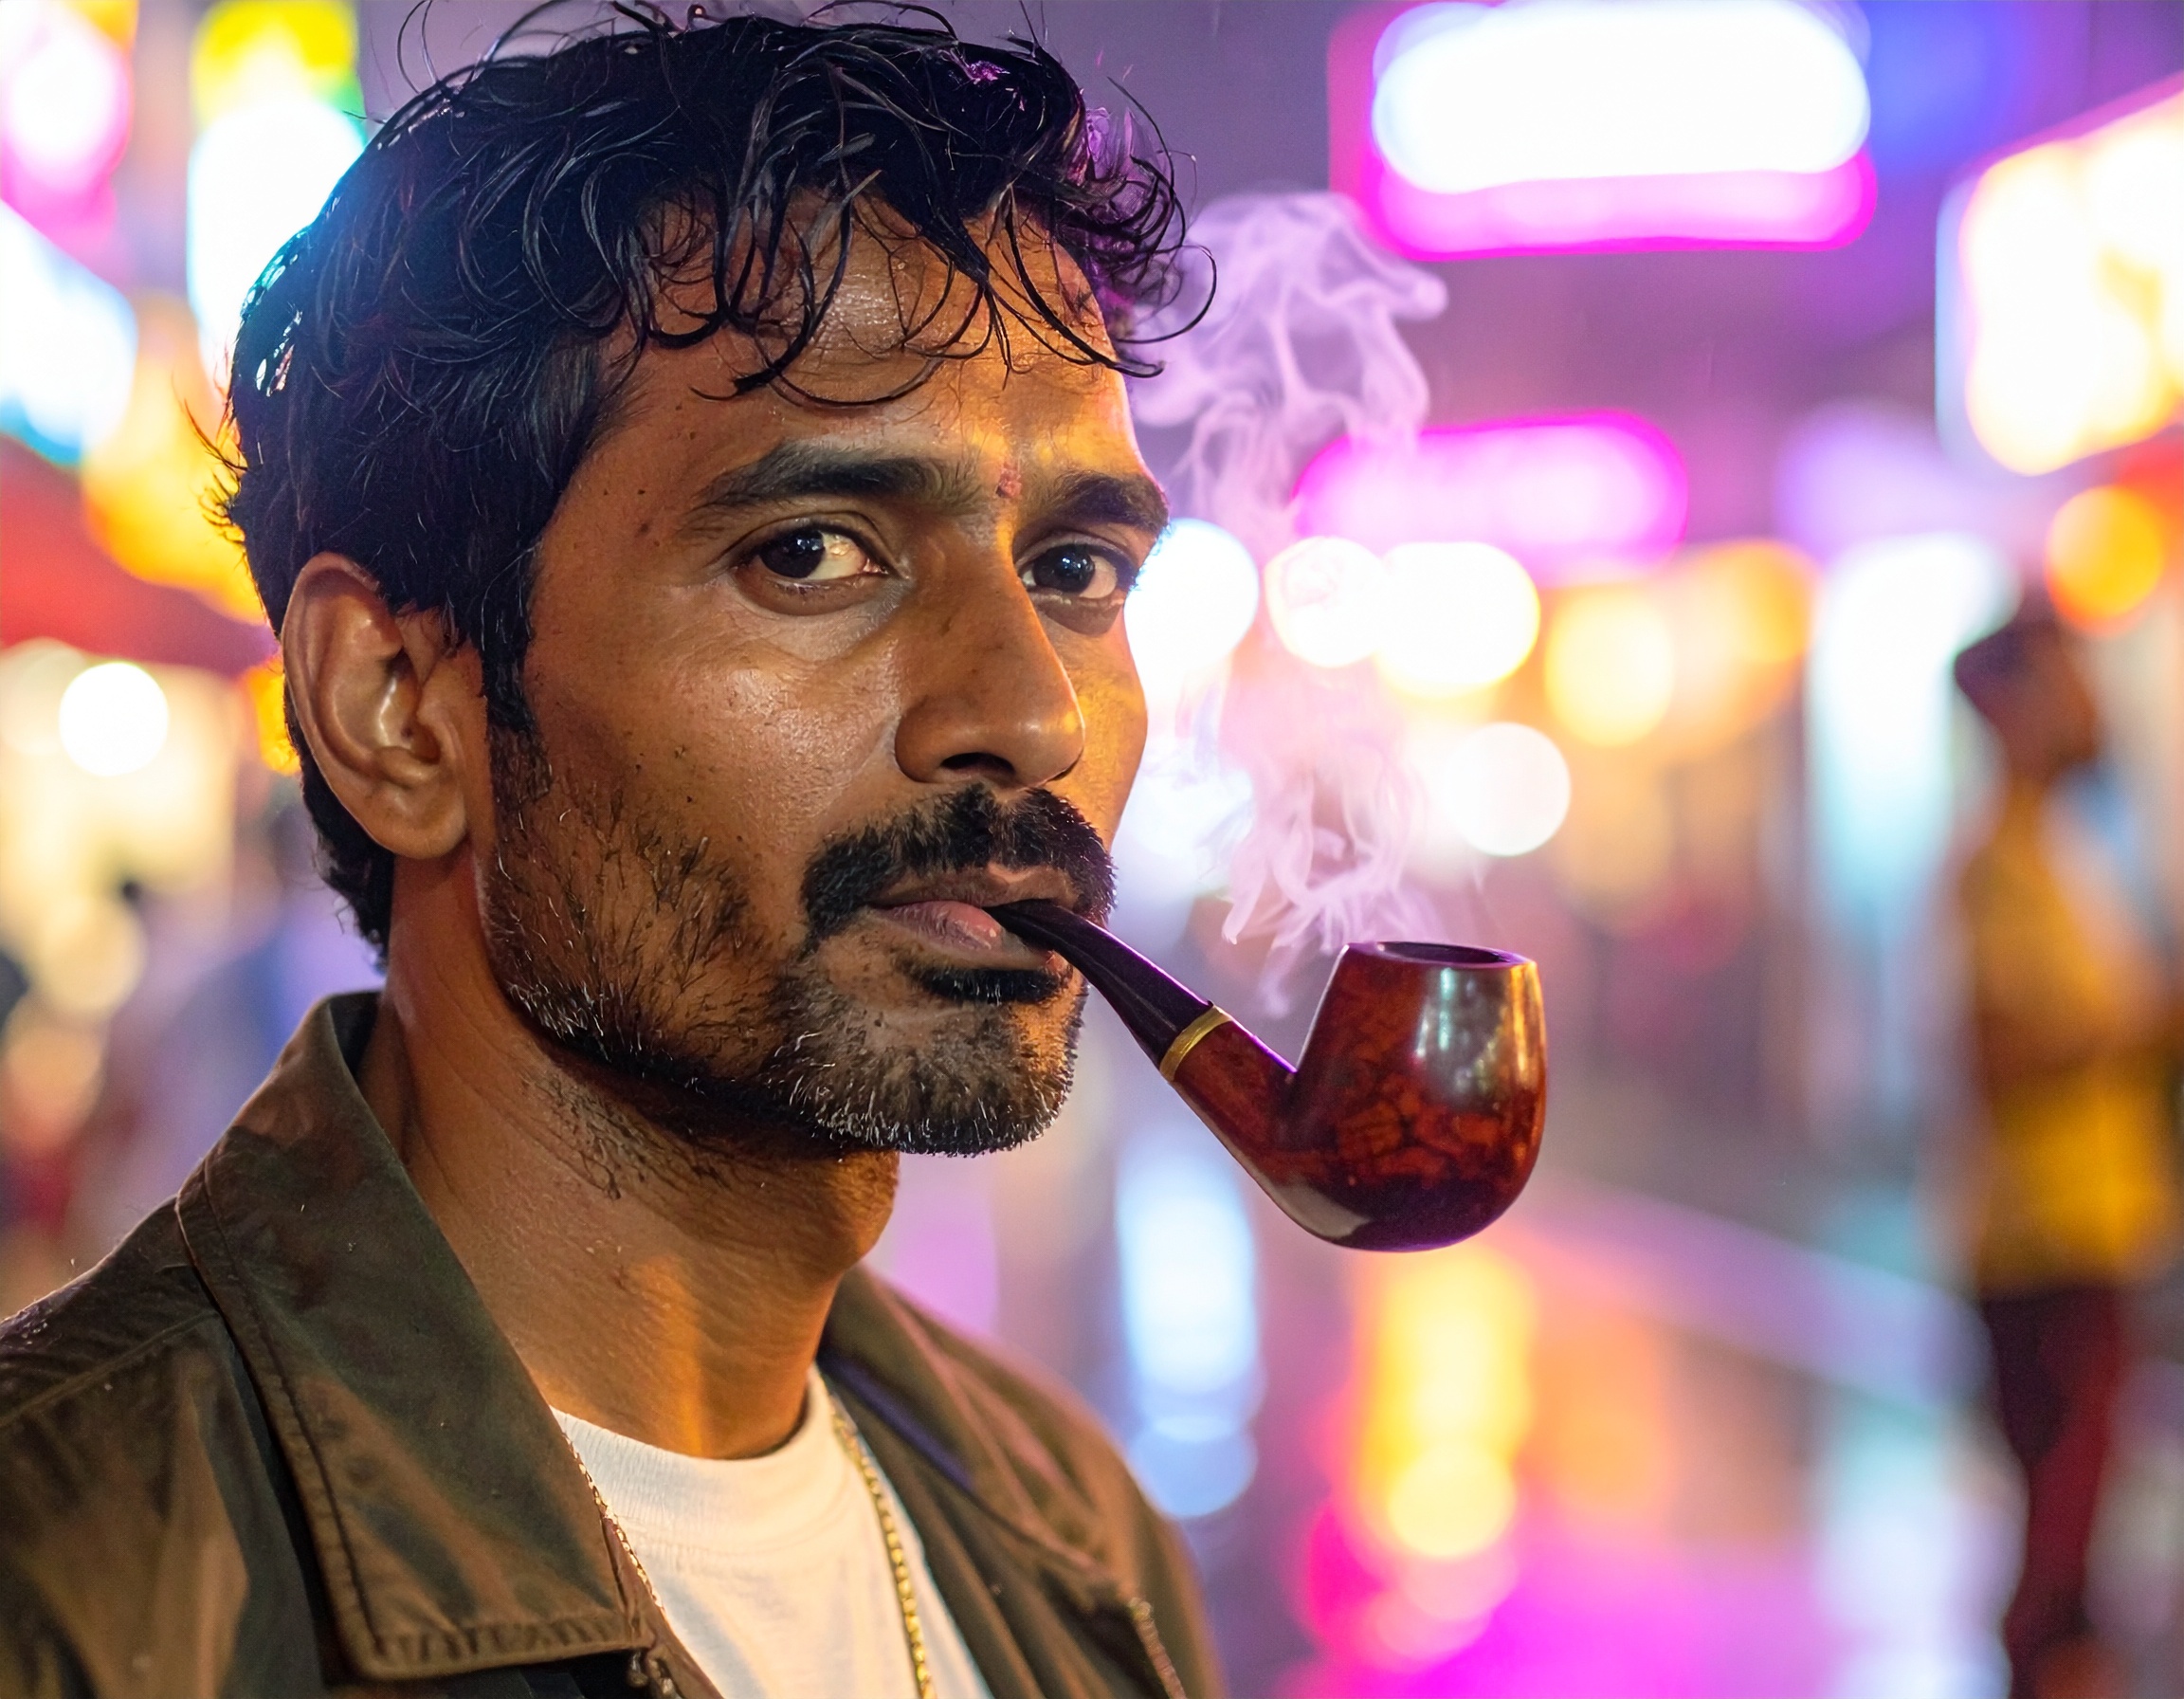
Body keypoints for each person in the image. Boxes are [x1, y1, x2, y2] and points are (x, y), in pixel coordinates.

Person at [0, 14, 1218, 1698]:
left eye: (1075, 572)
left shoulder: (1071, 1533)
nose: (1029, 712)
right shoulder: (77, 1594)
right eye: (811, 550)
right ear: (398, 707)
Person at [1953, 610, 2183, 1699]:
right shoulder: (2000, 861)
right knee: (2060, 1509)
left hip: (2099, 1213)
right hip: (2046, 1227)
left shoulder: (2078, 847)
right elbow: (1996, 1054)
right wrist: (2138, 1025)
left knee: (2073, 1505)